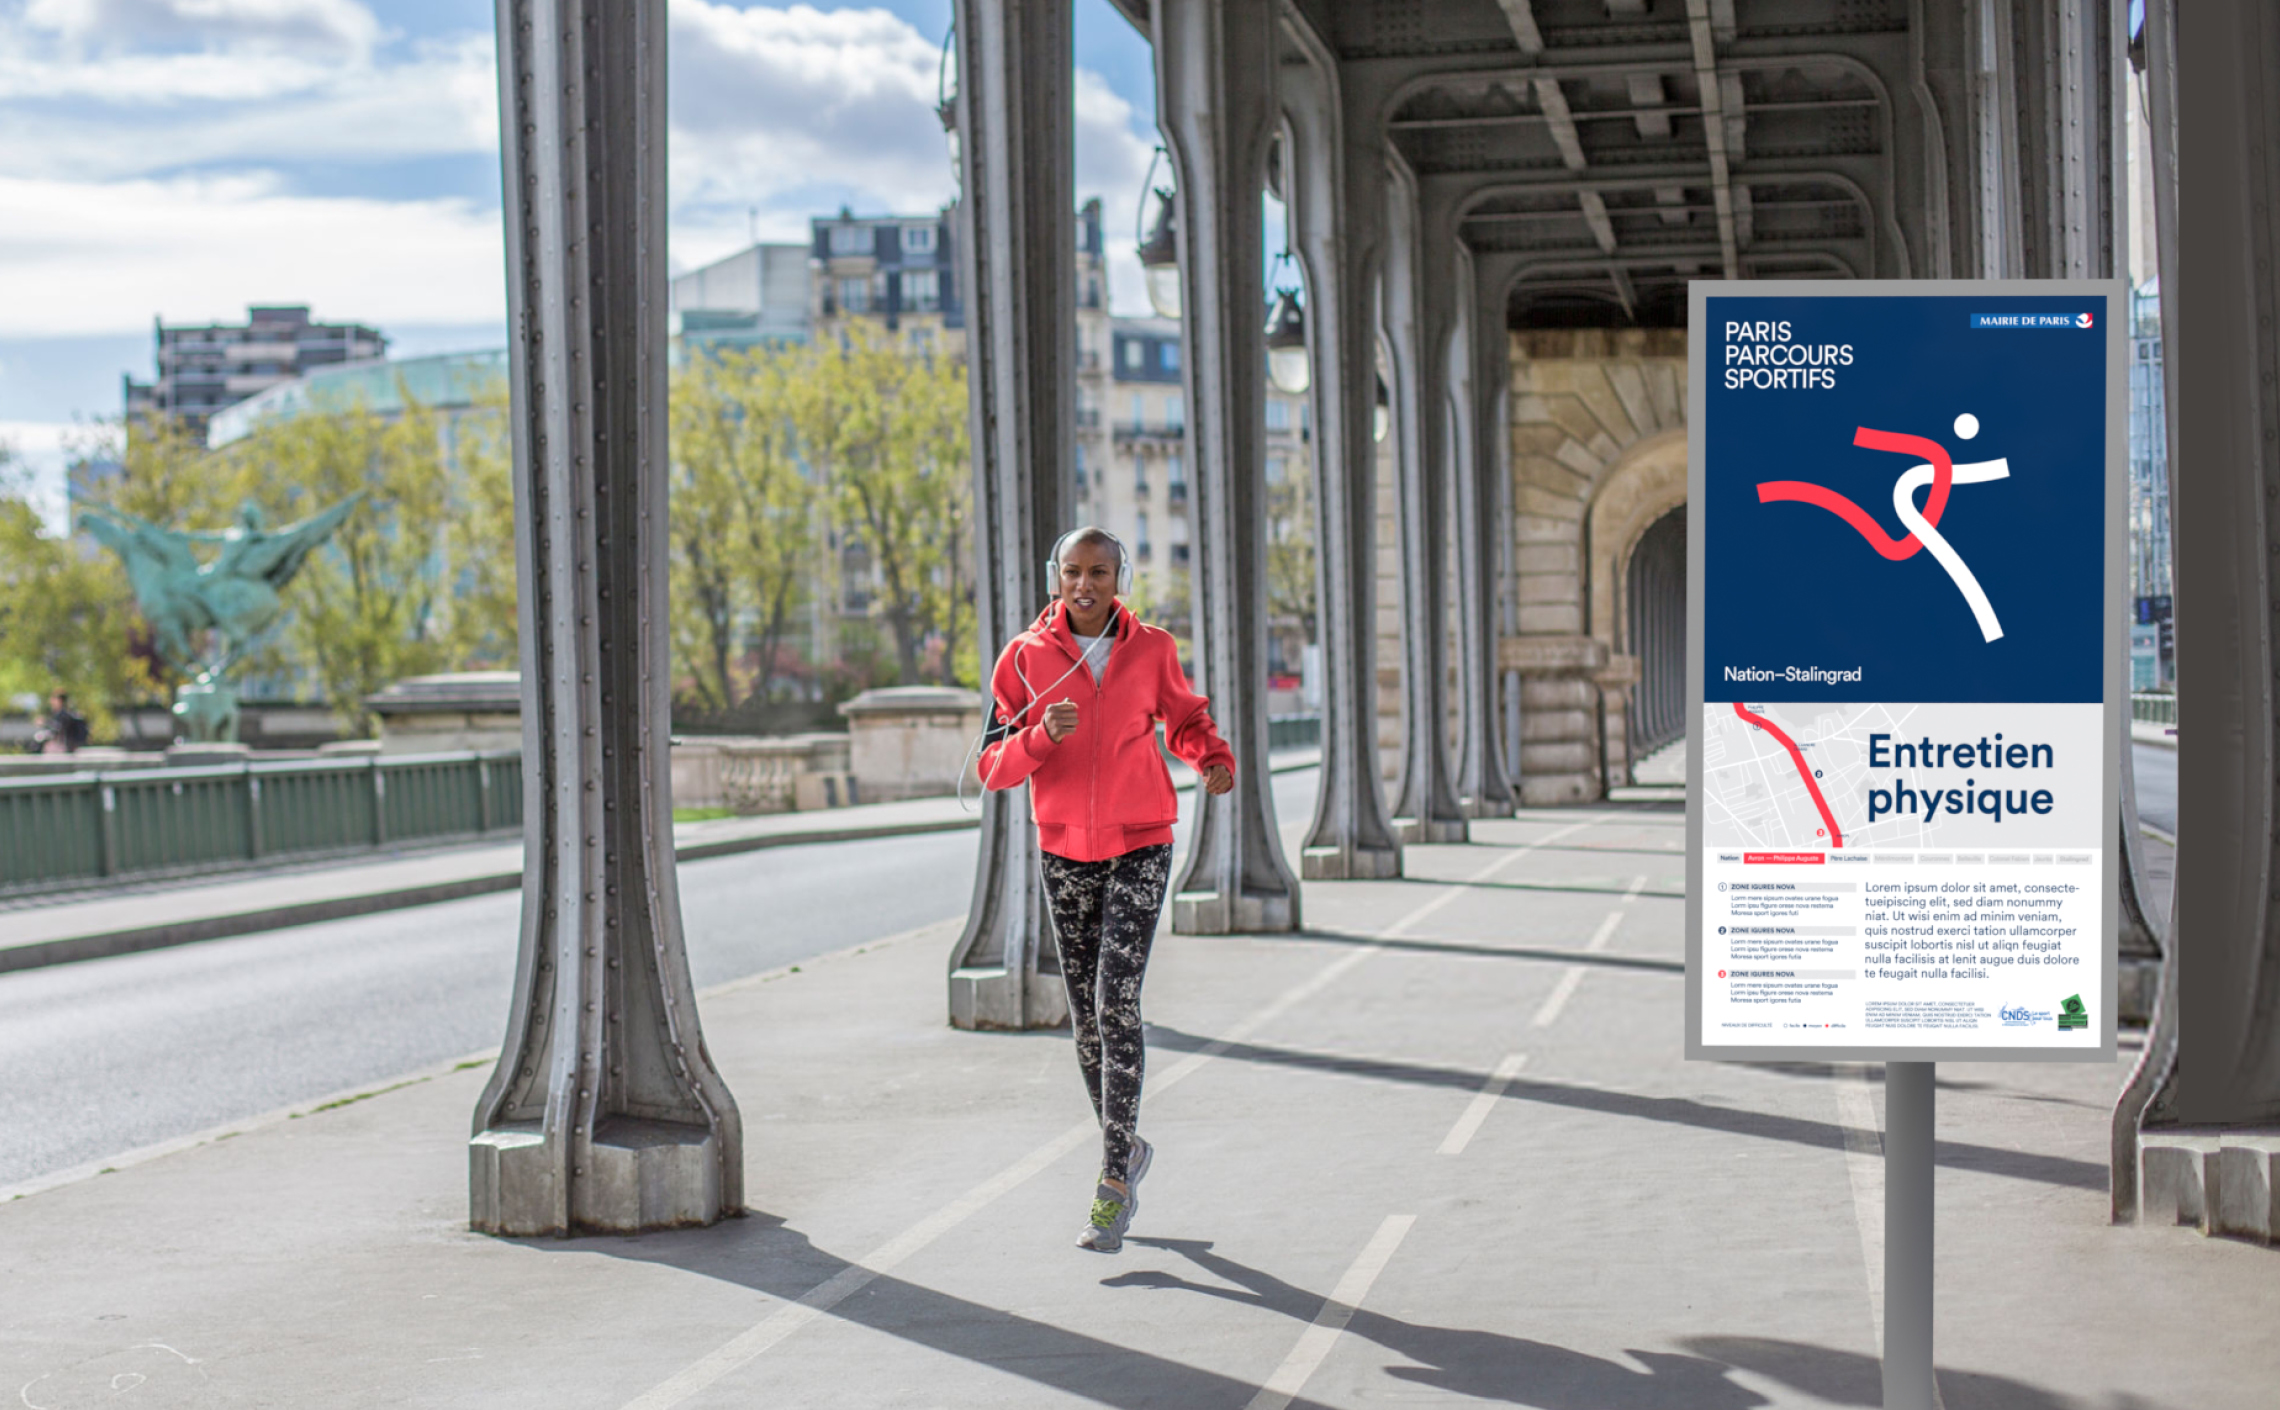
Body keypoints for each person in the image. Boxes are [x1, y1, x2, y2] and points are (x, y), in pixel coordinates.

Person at [978, 526, 1235, 1253]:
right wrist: (1038, 738)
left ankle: (1113, 1179)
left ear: (1119, 579)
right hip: (1064, 851)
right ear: (1054, 579)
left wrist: (1211, 757)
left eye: (1098, 572)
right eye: (1072, 573)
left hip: (1142, 841)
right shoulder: (1025, 659)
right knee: (1086, 1019)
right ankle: (1130, 1149)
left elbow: (1183, 718)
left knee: (1114, 1001)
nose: (1084, 585)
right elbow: (991, 765)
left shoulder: (1152, 649)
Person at [32, 690, 89, 755]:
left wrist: (45, 722)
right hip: (66, 747)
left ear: (59, 700)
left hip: (63, 747)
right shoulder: (62, 713)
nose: (51, 702)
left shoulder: (63, 715)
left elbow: (57, 728)